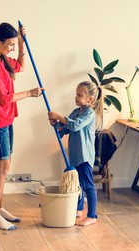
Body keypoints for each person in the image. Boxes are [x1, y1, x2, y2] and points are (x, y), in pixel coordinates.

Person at [0, 22, 42, 230]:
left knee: (5, 168)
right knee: (1, 169)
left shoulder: (2, 59)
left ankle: (0, 208)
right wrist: (30, 93)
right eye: (10, 44)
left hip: (5, 120)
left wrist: (21, 44)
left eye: (13, 45)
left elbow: (20, 66)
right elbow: (4, 99)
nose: (12, 48)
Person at [48, 81, 102, 226]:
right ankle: (78, 209)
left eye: (80, 95)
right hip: (75, 155)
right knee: (77, 185)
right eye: (76, 94)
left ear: (89, 99)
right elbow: (65, 130)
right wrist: (56, 125)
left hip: (84, 156)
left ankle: (92, 215)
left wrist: (59, 116)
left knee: (88, 186)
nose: (76, 97)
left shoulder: (89, 114)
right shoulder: (75, 112)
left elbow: (75, 125)